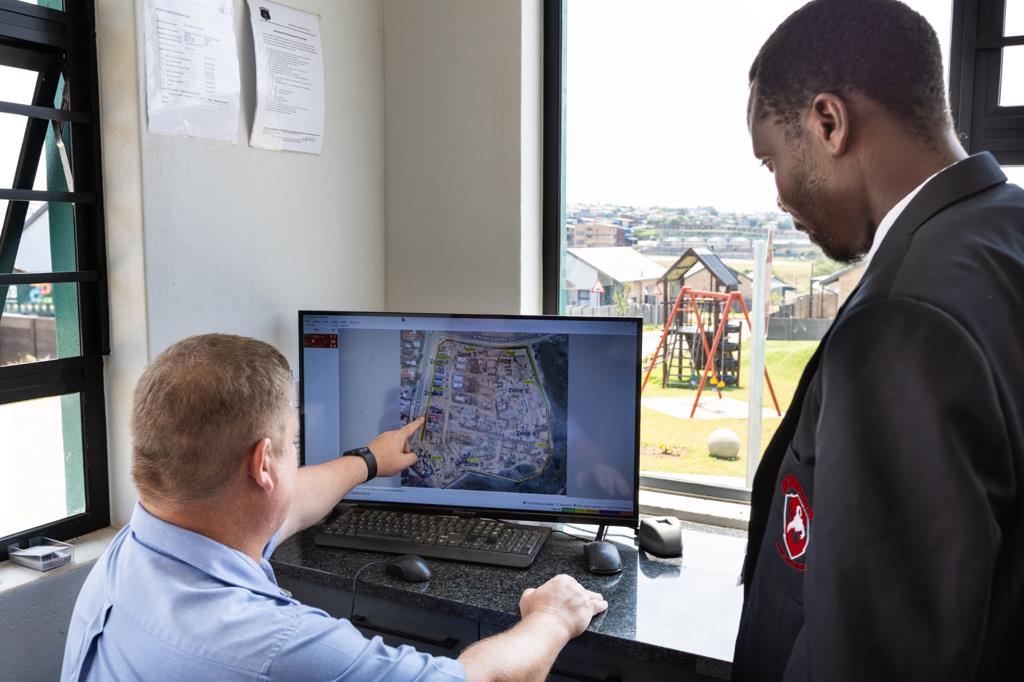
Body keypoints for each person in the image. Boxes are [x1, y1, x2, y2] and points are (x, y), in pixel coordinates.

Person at [735, 0, 1024, 679]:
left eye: (770, 160)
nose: (778, 196)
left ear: (829, 123)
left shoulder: (902, 320)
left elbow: (876, 656)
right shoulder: (1005, 232)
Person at [61, 334, 607, 681]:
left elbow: (287, 503)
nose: (296, 456)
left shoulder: (135, 553)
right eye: (293, 442)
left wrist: (367, 461)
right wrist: (553, 617)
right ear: (263, 464)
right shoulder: (278, 644)